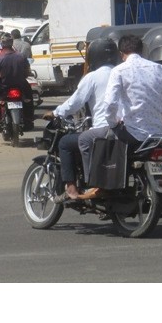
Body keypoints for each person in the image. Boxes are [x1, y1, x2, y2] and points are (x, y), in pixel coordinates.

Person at [77, 34, 162, 200]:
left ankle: (96, 185)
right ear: (141, 50)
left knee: (85, 139)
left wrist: (112, 123)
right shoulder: (158, 68)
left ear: (121, 53)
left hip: (133, 133)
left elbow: (109, 103)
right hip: (157, 134)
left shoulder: (119, 70)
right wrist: (155, 97)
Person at [42, 37, 120, 201]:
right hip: (125, 129)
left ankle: (72, 188)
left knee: (65, 143)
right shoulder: (122, 73)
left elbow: (74, 103)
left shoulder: (93, 77)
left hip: (103, 129)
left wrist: (56, 113)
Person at [0, 33, 35, 130]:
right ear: (11, 43)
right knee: (29, 94)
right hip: (21, 85)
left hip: (4, 86)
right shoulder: (21, 56)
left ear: (1, 44)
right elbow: (27, 71)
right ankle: (29, 117)